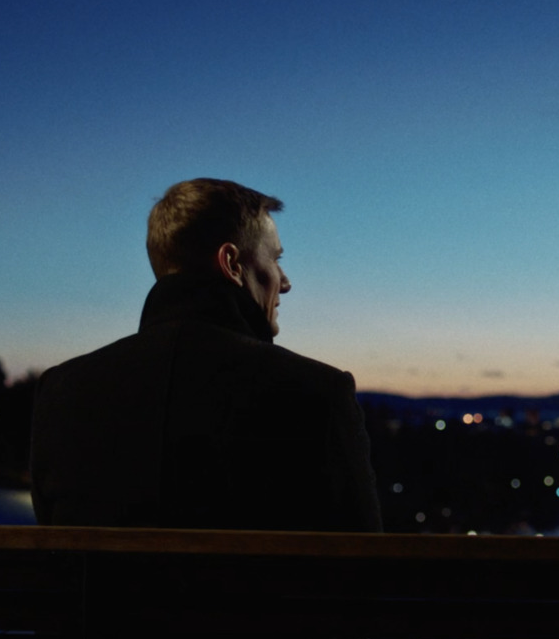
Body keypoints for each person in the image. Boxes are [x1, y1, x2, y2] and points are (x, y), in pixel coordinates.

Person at [30, 178, 381, 531]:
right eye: (275, 258)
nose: (284, 281)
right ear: (231, 263)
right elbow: (360, 560)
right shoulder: (317, 394)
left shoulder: (62, 391)